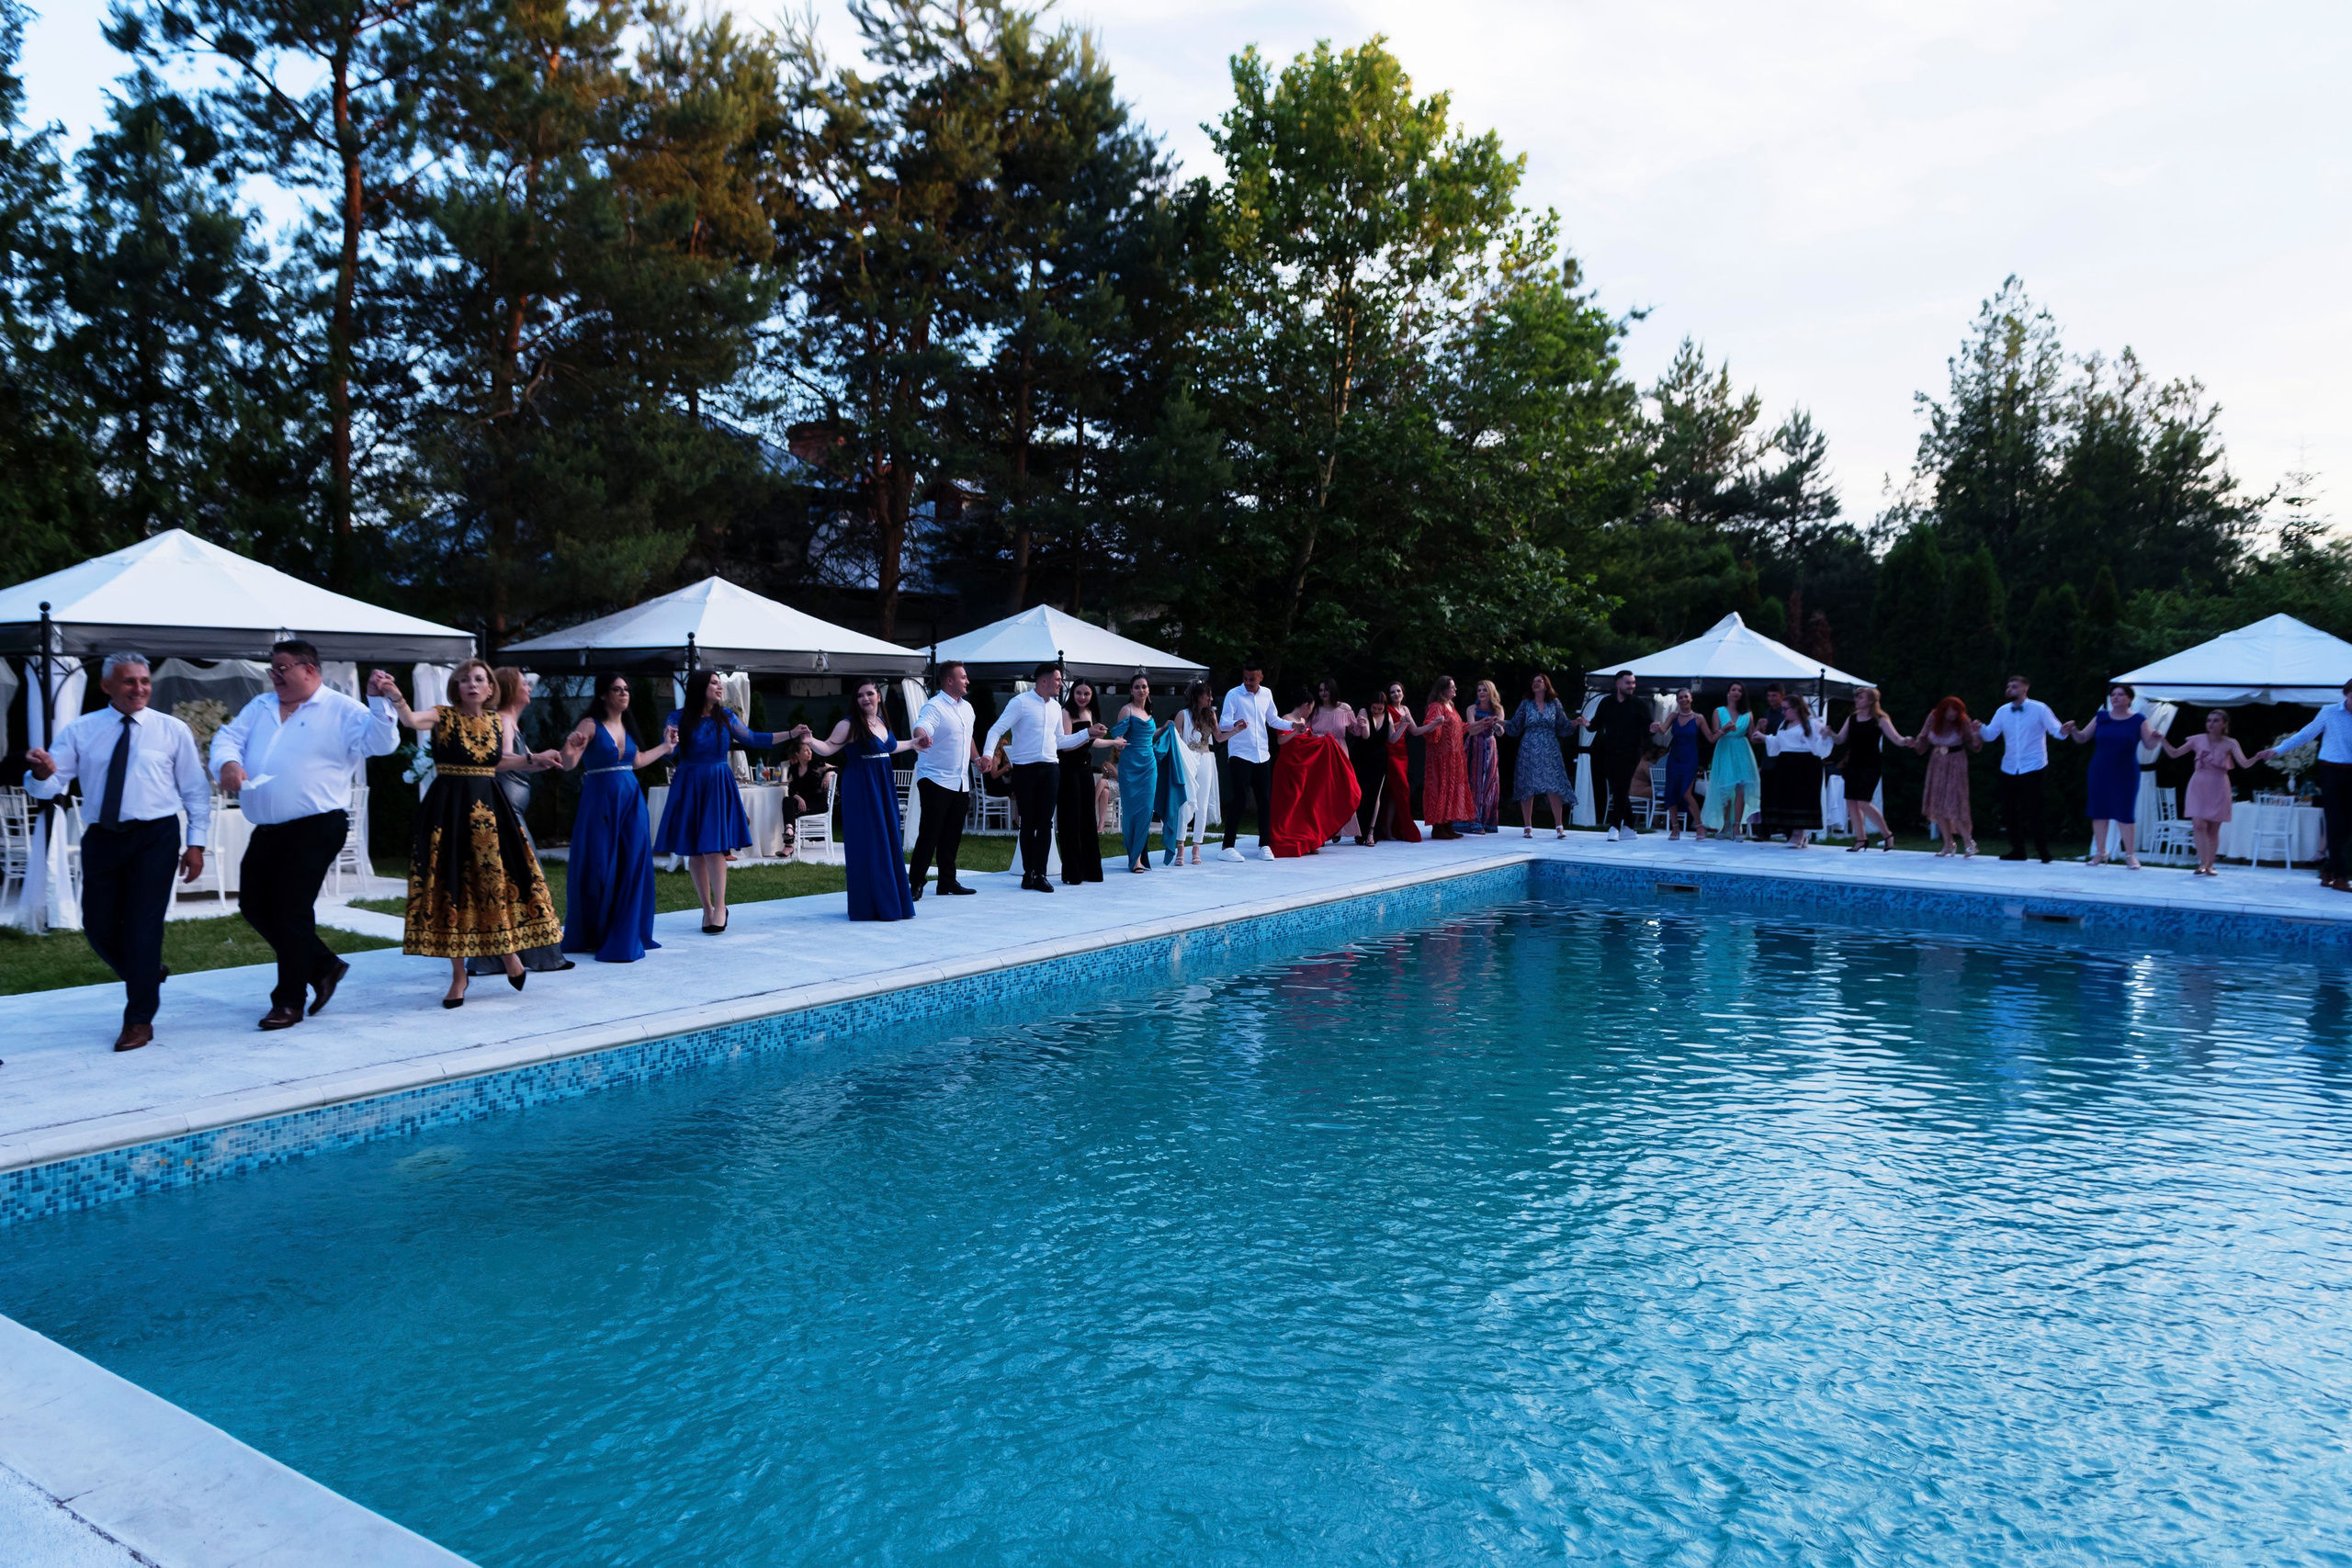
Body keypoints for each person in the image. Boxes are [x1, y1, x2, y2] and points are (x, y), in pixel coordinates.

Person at [23, 651, 210, 1051]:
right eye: (129, 681)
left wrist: (196, 844)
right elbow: (52, 784)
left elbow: (195, 791)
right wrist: (40, 773)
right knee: (98, 926)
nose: (139, 688)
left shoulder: (171, 730)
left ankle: (139, 1020)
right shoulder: (81, 730)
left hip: (155, 837)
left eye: (144, 681)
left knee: (143, 928)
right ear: (107, 686)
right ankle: (144, 972)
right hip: (103, 837)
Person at [213, 640, 400, 1031]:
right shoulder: (261, 706)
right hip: (267, 829)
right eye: (272, 669)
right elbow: (228, 738)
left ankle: (288, 1002)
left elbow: (382, 744)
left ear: (309, 670)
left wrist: (378, 702)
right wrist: (229, 763)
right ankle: (323, 964)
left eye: (282, 668)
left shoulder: (342, 709)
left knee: (291, 911)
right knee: (253, 904)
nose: (275, 676)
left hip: (317, 825)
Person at [378, 660, 565, 1007]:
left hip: (490, 811)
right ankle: (458, 976)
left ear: (491, 688)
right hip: (449, 810)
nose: (472, 685)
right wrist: (395, 696)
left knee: (494, 884)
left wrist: (533, 759)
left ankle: (509, 954)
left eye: (479, 679)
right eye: (464, 680)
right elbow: (411, 721)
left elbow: (494, 762)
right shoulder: (442, 715)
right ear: (456, 687)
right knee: (453, 887)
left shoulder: (497, 721)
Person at [653, 669, 794, 934]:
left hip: (717, 782)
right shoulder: (678, 717)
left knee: (713, 847)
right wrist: (667, 745)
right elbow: (668, 752)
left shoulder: (726, 716)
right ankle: (706, 908)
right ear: (699, 687)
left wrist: (790, 733)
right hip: (689, 782)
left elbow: (753, 739)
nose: (720, 688)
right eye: (715, 683)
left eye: (720, 683)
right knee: (695, 850)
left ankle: (721, 907)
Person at [554, 672, 673, 963]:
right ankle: (596, 932)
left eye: (626, 689)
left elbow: (639, 760)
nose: (624, 693)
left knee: (632, 863)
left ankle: (624, 933)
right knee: (600, 866)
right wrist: (570, 745)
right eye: (617, 689)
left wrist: (667, 747)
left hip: (631, 801)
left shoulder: (626, 726)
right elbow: (568, 763)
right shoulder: (590, 725)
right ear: (603, 695)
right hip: (601, 802)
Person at [468, 667, 573, 978]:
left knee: (509, 887)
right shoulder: (502, 720)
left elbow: (522, 767)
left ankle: (495, 959)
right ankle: (540, 956)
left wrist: (552, 757)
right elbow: (497, 761)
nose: (528, 687)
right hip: (503, 816)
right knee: (528, 881)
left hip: (510, 814)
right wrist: (535, 758)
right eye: (523, 683)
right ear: (510, 688)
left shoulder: (510, 721)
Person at [802, 679, 925, 921]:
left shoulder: (880, 722)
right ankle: (871, 905)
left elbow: (887, 748)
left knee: (888, 840)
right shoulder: (848, 725)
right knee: (869, 842)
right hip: (862, 786)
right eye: (860, 695)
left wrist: (912, 744)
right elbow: (827, 748)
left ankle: (891, 901)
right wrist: (810, 741)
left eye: (869, 694)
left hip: (882, 784)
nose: (865, 699)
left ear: (878, 696)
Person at [982, 663, 1102, 893]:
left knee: (1046, 823)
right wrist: (988, 755)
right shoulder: (1021, 703)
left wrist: (1087, 733)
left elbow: (1060, 741)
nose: (1061, 684)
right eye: (1058, 680)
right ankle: (1028, 873)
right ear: (1044, 681)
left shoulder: (1057, 707)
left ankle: (1041, 873)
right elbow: (995, 730)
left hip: (1050, 769)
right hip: (1025, 770)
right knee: (1028, 823)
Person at [2255, 677, 2352, 893]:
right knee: (2335, 823)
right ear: (2347, 693)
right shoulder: (2329, 712)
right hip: (2331, 770)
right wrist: (2277, 750)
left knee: (2347, 826)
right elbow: (2306, 734)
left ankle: (2328, 870)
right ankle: (2340, 876)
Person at [2067, 682, 2164, 869]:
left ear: (2129, 699)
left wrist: (2155, 739)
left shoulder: (2139, 719)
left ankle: (2130, 855)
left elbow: (2149, 745)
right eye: (2113, 695)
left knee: (2124, 812)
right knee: (2099, 811)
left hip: (2126, 771)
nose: (2115, 698)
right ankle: (2101, 853)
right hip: (2100, 770)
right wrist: (2073, 729)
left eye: (2120, 695)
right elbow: (2082, 738)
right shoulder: (2101, 717)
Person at [1974, 674, 2068, 863]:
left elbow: (2057, 731)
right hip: (2009, 767)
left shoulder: (2040, 709)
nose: (2009, 689)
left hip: (2034, 766)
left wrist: (2064, 730)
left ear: (2025, 689)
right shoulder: (2002, 711)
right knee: (2009, 811)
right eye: (2009, 686)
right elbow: (1991, 735)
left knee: (2035, 811)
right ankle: (2018, 851)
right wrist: (1979, 728)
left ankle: (2044, 853)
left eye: (2014, 686)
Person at [908, 660, 980, 899]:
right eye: (963, 677)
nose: (967, 681)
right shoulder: (934, 706)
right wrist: (923, 737)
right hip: (936, 779)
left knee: (952, 834)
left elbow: (968, 738)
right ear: (949, 681)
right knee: (930, 833)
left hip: (960, 781)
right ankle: (916, 883)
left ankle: (947, 882)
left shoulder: (968, 709)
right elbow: (922, 726)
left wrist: (977, 759)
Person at [1268, 678, 1362, 857]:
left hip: (1303, 770)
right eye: (1311, 707)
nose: (1312, 711)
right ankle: (1282, 838)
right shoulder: (1286, 719)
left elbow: (1307, 744)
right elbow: (1281, 741)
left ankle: (1307, 840)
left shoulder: (1303, 719)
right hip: (1288, 769)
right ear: (1306, 705)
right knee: (1287, 806)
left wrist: (1324, 741)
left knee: (1306, 805)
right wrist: (1296, 730)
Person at [1218, 657, 1295, 861]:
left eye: (1252, 679)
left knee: (1264, 801)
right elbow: (1223, 722)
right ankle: (1227, 847)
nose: (1248, 682)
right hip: (1240, 754)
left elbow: (1273, 719)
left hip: (1262, 754)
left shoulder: (1267, 694)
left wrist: (1292, 727)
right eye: (1245, 678)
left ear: (1261, 677)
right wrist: (1236, 723)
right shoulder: (1233, 695)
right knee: (1240, 799)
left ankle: (1264, 844)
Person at [2165, 709, 2254, 877]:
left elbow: (2244, 763)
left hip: (2219, 785)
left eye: (2216, 720)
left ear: (2224, 724)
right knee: (2198, 824)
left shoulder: (2230, 743)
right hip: (2198, 784)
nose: (2211, 724)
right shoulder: (2197, 740)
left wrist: (2258, 757)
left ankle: (2210, 864)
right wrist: (2162, 740)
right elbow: (2175, 753)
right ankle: (2202, 863)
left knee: (2213, 828)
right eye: (2209, 720)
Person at [1831, 686, 1906, 852]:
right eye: (1856, 697)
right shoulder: (1852, 719)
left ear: (1871, 701)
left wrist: (1906, 740)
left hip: (1871, 764)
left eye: (1861, 698)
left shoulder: (1880, 719)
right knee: (1851, 802)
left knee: (1863, 802)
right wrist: (1830, 733)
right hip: (1853, 764)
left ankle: (1887, 834)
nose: (1857, 700)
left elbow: (1896, 738)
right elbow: (1840, 739)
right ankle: (1861, 839)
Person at [1580, 670, 1650, 840]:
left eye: (1633, 683)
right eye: (1628, 683)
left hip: (1631, 752)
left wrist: (1653, 729)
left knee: (1621, 787)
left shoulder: (1639, 705)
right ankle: (1630, 827)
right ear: (1618, 684)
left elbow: (1649, 727)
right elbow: (1596, 724)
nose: (1632, 686)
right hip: (1610, 752)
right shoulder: (1606, 703)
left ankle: (1614, 826)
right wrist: (1586, 723)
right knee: (1618, 789)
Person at [1106, 674, 1166, 874]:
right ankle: (1135, 859)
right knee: (1132, 812)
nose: (1141, 690)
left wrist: (1165, 728)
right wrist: (1119, 741)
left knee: (1146, 811)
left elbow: (1149, 735)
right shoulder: (1127, 710)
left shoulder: (1148, 712)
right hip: (1131, 765)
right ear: (1131, 690)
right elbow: (1118, 735)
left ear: (1149, 690)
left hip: (1149, 765)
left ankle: (1138, 856)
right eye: (1137, 687)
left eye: (1144, 687)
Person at [1507, 673, 1574, 840]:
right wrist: (1501, 722)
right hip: (1529, 747)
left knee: (1554, 785)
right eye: (1533, 681)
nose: (1536, 684)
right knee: (1527, 785)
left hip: (1550, 748)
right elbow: (1515, 725)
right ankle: (1527, 827)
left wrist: (1575, 722)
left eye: (1539, 681)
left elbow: (1563, 726)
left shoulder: (1554, 704)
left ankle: (1559, 827)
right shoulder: (1526, 704)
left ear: (1546, 684)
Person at [1914, 695, 1981, 858]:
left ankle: (1968, 842)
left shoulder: (1963, 721)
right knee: (1938, 804)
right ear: (1944, 710)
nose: (1954, 715)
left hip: (1956, 762)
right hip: (1937, 762)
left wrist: (1977, 732)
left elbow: (1973, 743)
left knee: (1953, 803)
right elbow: (1923, 737)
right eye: (1951, 712)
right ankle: (1948, 844)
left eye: (1957, 712)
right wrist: (1914, 743)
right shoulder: (1933, 717)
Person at [1762, 694, 1832, 850]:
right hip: (1786, 763)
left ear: (1796, 708)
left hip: (1805, 765)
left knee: (1802, 799)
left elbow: (1820, 746)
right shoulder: (1784, 724)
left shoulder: (1812, 724)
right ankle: (1801, 835)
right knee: (1788, 798)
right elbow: (1779, 743)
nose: (1783, 712)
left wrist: (1825, 736)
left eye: (1786, 709)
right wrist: (1764, 737)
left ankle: (1797, 833)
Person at [1057, 681, 1108, 886]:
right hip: (1069, 770)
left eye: (1086, 693)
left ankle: (1092, 870)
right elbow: (1066, 746)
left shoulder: (1088, 713)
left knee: (1088, 819)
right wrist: (1089, 733)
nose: (1082, 697)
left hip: (1086, 769)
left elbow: (1091, 741)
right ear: (1072, 693)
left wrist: (1112, 741)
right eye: (1078, 693)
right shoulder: (1066, 713)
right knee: (1071, 820)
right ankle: (1073, 872)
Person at [1420, 676, 1481, 840]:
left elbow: (1459, 728)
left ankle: (1448, 824)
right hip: (1441, 757)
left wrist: (1483, 723)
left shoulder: (1451, 706)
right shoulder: (1436, 706)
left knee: (1452, 790)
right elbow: (1429, 728)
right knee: (1441, 788)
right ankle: (1438, 827)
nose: (1455, 690)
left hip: (1455, 756)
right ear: (1443, 690)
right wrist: (1435, 724)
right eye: (1452, 687)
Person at [1169, 682, 1221, 864]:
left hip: (1205, 756)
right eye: (1208, 695)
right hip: (1188, 758)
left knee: (1202, 801)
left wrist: (1236, 730)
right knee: (1186, 801)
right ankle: (1180, 846)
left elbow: (1220, 736)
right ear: (1199, 697)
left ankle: (1196, 847)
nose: (1211, 698)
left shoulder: (1211, 714)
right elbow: (1174, 738)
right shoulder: (1183, 715)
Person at [1698, 682, 1758, 840]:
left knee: (1741, 788)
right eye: (1734, 690)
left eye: (1740, 690)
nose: (1737, 693)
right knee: (1726, 787)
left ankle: (1737, 826)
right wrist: (1725, 730)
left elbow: (1753, 737)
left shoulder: (1748, 714)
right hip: (1724, 749)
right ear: (1728, 693)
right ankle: (1725, 824)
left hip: (1742, 750)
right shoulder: (1719, 712)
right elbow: (1714, 735)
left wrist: (1761, 728)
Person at [1653, 689, 1704, 841]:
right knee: (1671, 793)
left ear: (1691, 698)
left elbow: (1710, 736)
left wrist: (1723, 731)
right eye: (1680, 697)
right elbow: (1663, 731)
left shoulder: (1698, 718)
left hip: (1690, 759)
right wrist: (1657, 726)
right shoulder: (1674, 716)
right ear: (1677, 700)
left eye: (1686, 697)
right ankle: (1675, 828)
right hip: (1674, 758)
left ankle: (1700, 826)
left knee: (1686, 793)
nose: (1683, 700)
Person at [1463, 680, 1506, 834]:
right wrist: (1482, 722)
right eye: (1479, 690)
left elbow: (1500, 733)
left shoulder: (1498, 709)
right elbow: (1471, 730)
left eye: (1484, 690)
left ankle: (1487, 821)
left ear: (1490, 692)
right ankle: (1473, 822)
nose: (1481, 693)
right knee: (1473, 782)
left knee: (1489, 783)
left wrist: (1495, 724)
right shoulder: (1472, 709)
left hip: (1490, 746)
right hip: (1474, 747)